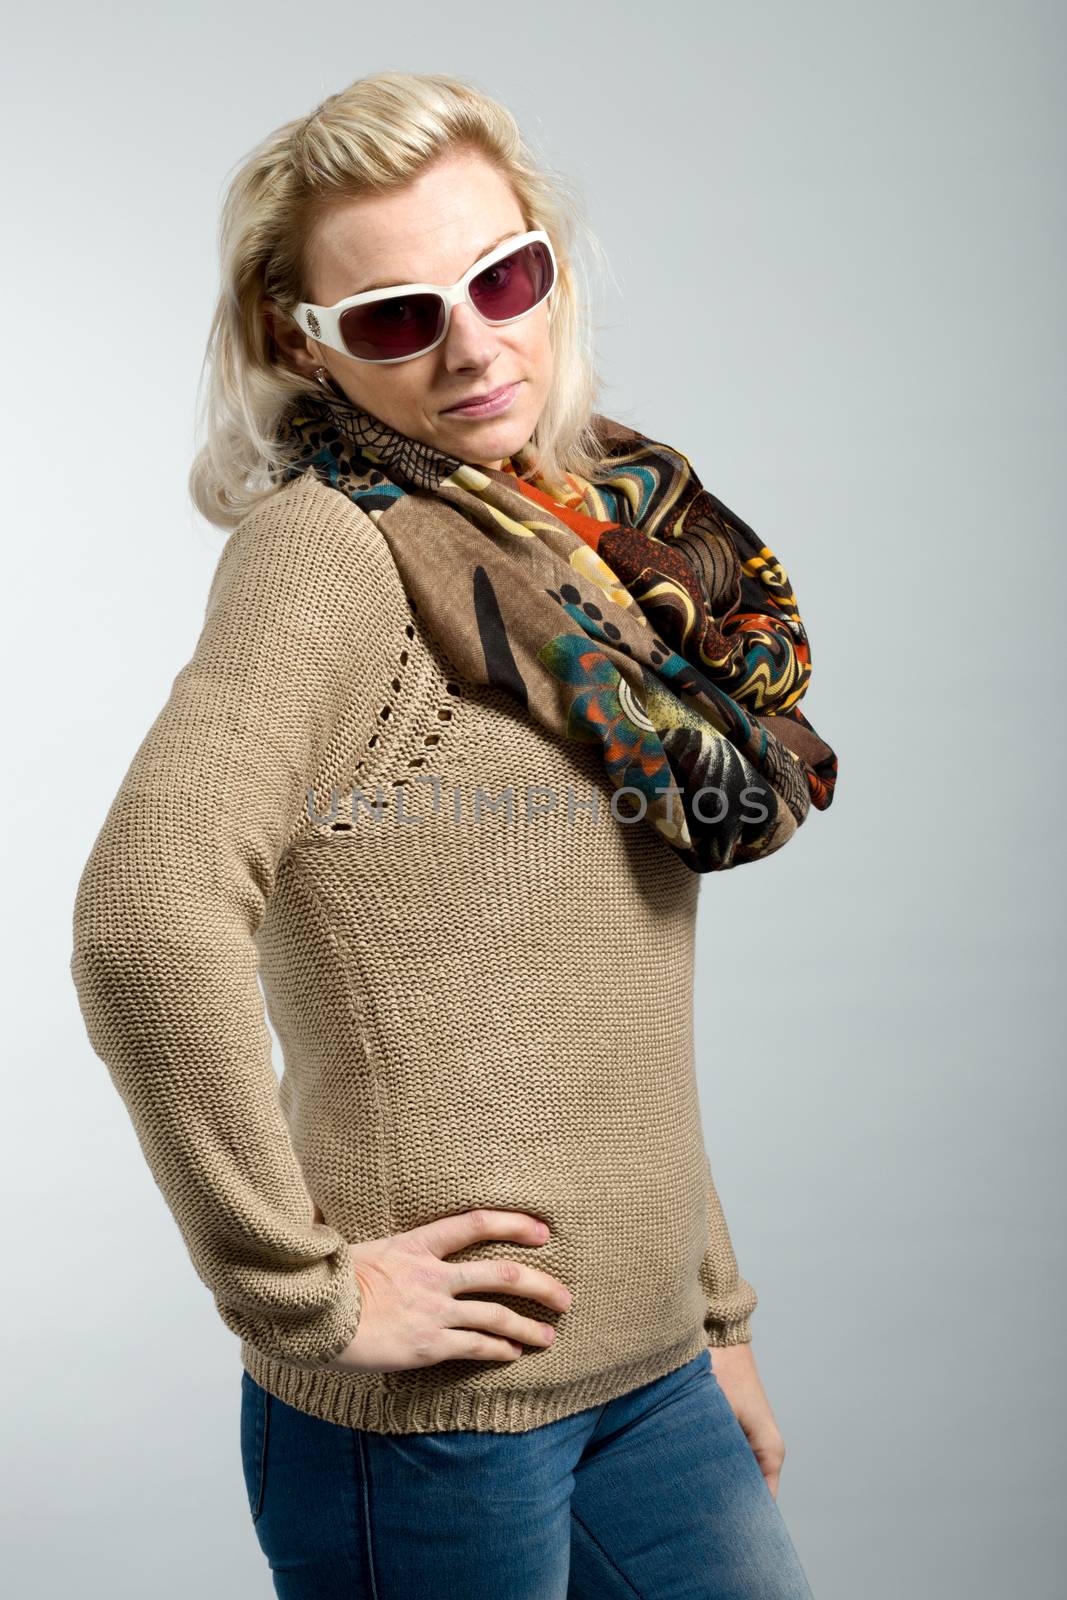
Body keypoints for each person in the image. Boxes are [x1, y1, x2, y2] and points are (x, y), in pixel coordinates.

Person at [70, 69, 835, 1599]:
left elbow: (604, 994)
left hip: (656, 1383)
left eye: (504, 277)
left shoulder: (600, 555)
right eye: (399, 314)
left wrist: (716, 1320)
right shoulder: (334, 550)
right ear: (307, 339)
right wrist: (310, 1300)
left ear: (549, 259)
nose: (475, 342)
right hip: (437, 1427)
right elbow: (144, 922)